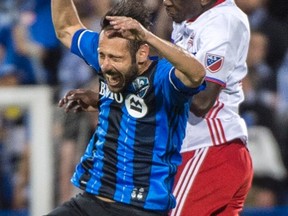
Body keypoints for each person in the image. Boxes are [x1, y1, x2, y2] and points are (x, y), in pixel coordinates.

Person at [47, 0, 206, 215]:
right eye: (102, 56)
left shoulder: (163, 78)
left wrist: (147, 36)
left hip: (138, 206)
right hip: (90, 199)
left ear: (142, 53)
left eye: (115, 58)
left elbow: (196, 74)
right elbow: (66, 28)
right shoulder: (108, 52)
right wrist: (100, 100)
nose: (106, 65)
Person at [161, 0, 254, 215]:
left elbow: (202, 100)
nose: (165, 1)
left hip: (208, 148)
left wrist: (152, 73)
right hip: (212, 152)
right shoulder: (189, 19)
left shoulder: (223, 21)